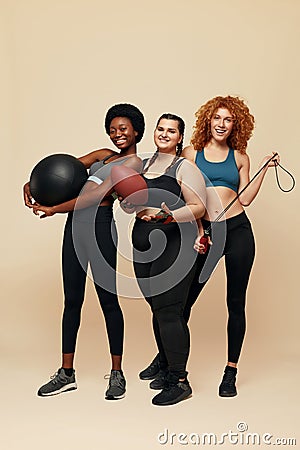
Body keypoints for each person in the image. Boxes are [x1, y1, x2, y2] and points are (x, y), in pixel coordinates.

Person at [140, 96, 279, 398]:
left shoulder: (240, 156)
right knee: (183, 300)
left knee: (236, 302)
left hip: (238, 229)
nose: (221, 124)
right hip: (208, 231)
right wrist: (199, 231)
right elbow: (188, 195)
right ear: (208, 120)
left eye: (228, 119)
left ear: (235, 125)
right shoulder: (191, 152)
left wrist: (265, 169)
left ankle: (230, 371)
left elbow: (245, 198)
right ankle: (166, 359)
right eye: (217, 118)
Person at [23, 103, 145, 400]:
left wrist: (52, 208)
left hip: (100, 229)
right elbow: (65, 169)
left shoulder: (132, 166)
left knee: (108, 301)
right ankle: (66, 373)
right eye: (113, 129)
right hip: (74, 229)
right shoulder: (103, 155)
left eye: (123, 129)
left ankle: (117, 373)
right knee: (72, 299)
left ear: (136, 132)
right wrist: (34, 184)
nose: (117, 134)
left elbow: (91, 197)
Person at [122, 113, 206, 406]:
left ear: (179, 137)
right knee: (156, 308)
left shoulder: (185, 167)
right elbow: (131, 205)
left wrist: (168, 215)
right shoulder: (143, 165)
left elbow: (198, 206)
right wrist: (128, 203)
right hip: (144, 245)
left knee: (169, 309)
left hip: (175, 244)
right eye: (161, 128)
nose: (165, 133)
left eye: (172, 130)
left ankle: (180, 380)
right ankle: (167, 365)